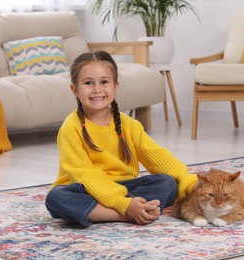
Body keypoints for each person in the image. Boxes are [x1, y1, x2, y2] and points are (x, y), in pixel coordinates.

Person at [45, 50, 197, 228]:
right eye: (88, 83)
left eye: (104, 82)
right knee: (56, 198)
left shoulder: (129, 125)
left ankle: (108, 212)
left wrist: (190, 183)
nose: (97, 90)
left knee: (167, 183)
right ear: (74, 89)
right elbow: (85, 175)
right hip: (85, 188)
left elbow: (159, 157)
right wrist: (124, 205)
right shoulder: (71, 128)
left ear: (115, 86)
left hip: (123, 188)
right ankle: (122, 214)